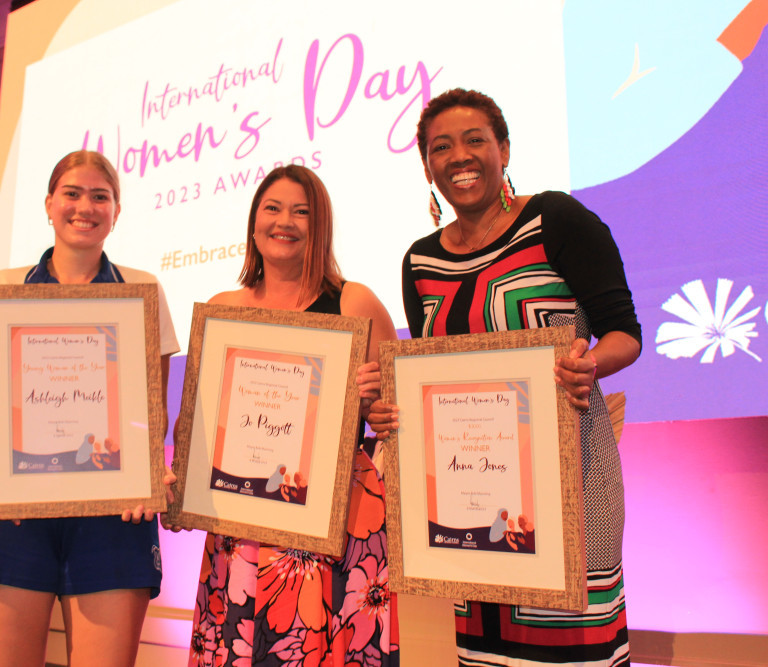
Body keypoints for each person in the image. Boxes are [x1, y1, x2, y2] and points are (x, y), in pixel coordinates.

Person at [367, 88, 641, 666]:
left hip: (572, 481)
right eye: (441, 147)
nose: (459, 156)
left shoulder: (557, 220)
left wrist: (588, 364)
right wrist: (392, 413)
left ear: (504, 149)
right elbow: (430, 374)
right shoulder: (420, 263)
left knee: (575, 651)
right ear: (428, 167)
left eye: (475, 141)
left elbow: (625, 334)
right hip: (473, 496)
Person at [0, 150, 180, 667]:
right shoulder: (2, 288)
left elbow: (150, 416)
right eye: (73, 194)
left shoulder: (142, 291)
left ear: (116, 211)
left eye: (101, 196)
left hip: (113, 517)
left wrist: (145, 473)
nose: (86, 206)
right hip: (12, 516)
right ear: (50, 204)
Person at [187, 165, 401, 666]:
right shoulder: (224, 310)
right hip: (243, 521)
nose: (286, 221)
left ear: (319, 225)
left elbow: (393, 418)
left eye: (302, 211)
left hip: (336, 521)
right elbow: (204, 425)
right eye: (273, 208)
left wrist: (374, 400)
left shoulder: (355, 302)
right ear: (254, 223)